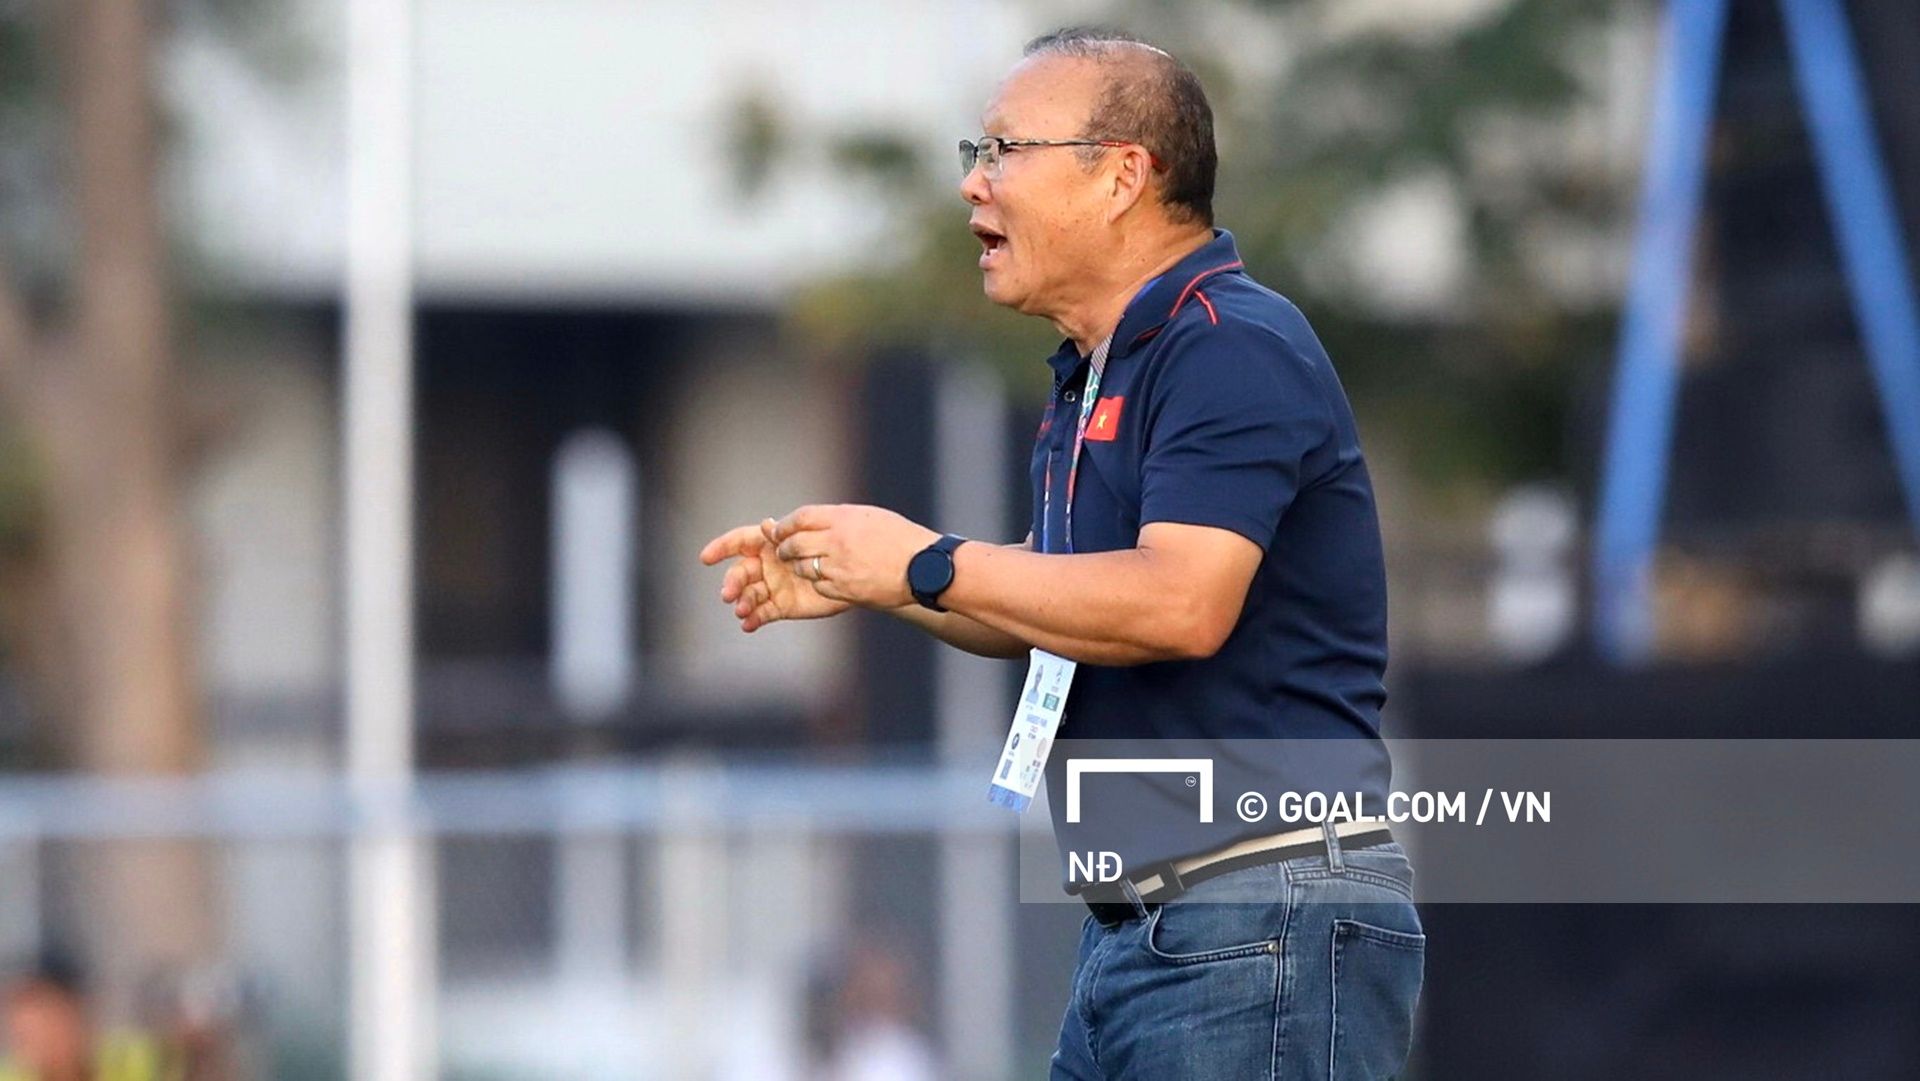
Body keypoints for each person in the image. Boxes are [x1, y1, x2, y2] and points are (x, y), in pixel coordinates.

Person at [700, 28, 1423, 1079]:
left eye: (1003, 151)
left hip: (1257, 910)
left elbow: (1178, 604)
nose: (974, 188)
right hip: (1155, 926)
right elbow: (1060, 605)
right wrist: (872, 577)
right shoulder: (1098, 369)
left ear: (1124, 174)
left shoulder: (1227, 344)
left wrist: (923, 560)